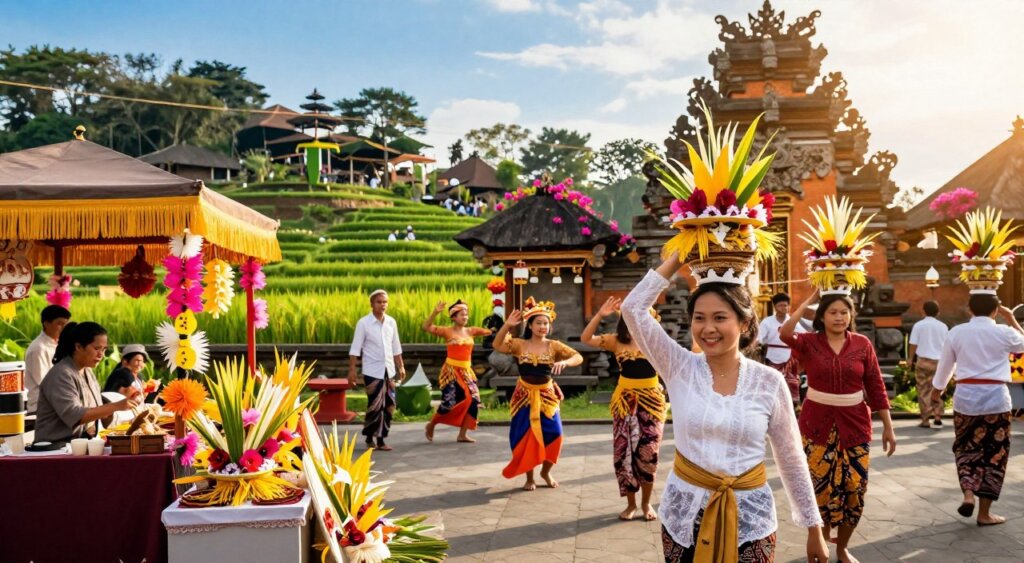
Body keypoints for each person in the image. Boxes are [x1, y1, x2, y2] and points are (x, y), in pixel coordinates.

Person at [622, 252, 828, 563]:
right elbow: (632, 310)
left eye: (720, 317)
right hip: (685, 515)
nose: (708, 328)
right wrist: (680, 257)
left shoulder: (769, 382)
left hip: (751, 518)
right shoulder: (678, 367)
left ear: (744, 323)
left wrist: (814, 529)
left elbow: (791, 456)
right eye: (699, 318)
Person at [781, 289, 895, 563]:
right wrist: (808, 300)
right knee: (817, 489)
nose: (839, 317)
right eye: (832, 312)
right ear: (821, 316)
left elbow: (876, 386)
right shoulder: (809, 342)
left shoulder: (862, 344)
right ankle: (819, 543)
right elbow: (785, 333)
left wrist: (888, 427)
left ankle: (842, 547)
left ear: (851, 315)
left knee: (855, 489)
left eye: (844, 312)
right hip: (816, 425)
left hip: (855, 425)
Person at [931, 294, 1024, 526]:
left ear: (969, 309)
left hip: (966, 398)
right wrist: (1011, 318)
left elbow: (946, 366)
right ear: (996, 310)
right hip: (996, 400)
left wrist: (937, 391)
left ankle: (968, 494)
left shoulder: (957, 332)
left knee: (965, 447)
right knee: (995, 454)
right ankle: (984, 514)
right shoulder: (1004, 332)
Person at [581, 296, 666, 522]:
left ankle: (646, 503)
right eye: (632, 317)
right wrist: (600, 314)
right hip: (625, 402)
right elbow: (586, 338)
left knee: (649, 454)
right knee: (624, 454)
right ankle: (631, 505)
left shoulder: (654, 340)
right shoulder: (616, 340)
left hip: (652, 402)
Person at [493, 297, 583, 491]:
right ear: (531, 325)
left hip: (547, 395)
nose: (543, 326)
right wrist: (507, 325)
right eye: (539, 323)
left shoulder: (554, 346)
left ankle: (546, 471)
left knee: (555, 434)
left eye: (546, 323)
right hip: (523, 395)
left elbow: (578, 356)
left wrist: (564, 362)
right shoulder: (519, 344)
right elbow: (498, 345)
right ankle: (530, 477)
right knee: (526, 436)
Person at [34, 322, 140, 444]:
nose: (101, 355)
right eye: (96, 348)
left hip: (81, 444)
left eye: (104, 349)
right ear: (78, 347)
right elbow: (74, 415)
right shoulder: (61, 374)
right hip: (54, 448)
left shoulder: (87, 371)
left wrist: (123, 408)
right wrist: (117, 406)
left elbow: (98, 411)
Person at [422, 300, 491, 443]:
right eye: (461, 314)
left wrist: (505, 326)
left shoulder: (471, 331)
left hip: (466, 372)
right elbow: (426, 326)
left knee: (473, 400)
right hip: (451, 372)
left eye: (466, 314)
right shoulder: (447, 331)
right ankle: (432, 424)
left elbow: (491, 332)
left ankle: (462, 434)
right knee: (449, 402)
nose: (465, 317)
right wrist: (435, 312)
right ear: (453, 317)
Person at [348, 289, 407, 451]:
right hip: (372, 371)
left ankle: (380, 439)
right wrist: (352, 371)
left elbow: (396, 346)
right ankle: (370, 437)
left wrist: (400, 365)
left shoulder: (391, 322)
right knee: (375, 405)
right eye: (379, 302)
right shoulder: (364, 323)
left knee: (389, 405)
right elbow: (355, 348)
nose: (383, 305)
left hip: (389, 370)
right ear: (372, 304)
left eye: (385, 302)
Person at [758, 292, 806, 404]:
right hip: (772, 356)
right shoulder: (767, 322)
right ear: (775, 307)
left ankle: (793, 407)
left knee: (792, 383)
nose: (784, 308)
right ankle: (772, 405)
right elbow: (759, 338)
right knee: (772, 383)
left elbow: (804, 336)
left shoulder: (792, 321)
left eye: (786, 305)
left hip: (790, 357)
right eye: (781, 305)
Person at [908, 300, 949, 428]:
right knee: (938, 388)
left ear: (923, 311)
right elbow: (947, 346)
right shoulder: (943, 326)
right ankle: (937, 415)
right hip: (939, 362)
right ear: (938, 312)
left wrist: (910, 359)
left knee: (923, 389)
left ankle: (925, 419)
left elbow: (913, 344)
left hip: (923, 361)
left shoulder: (919, 325)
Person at [24, 305, 71, 415]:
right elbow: (45, 383)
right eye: (60, 324)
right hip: (42, 409)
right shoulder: (38, 349)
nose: (64, 328)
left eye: (66, 324)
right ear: (46, 324)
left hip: (58, 405)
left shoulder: (59, 345)